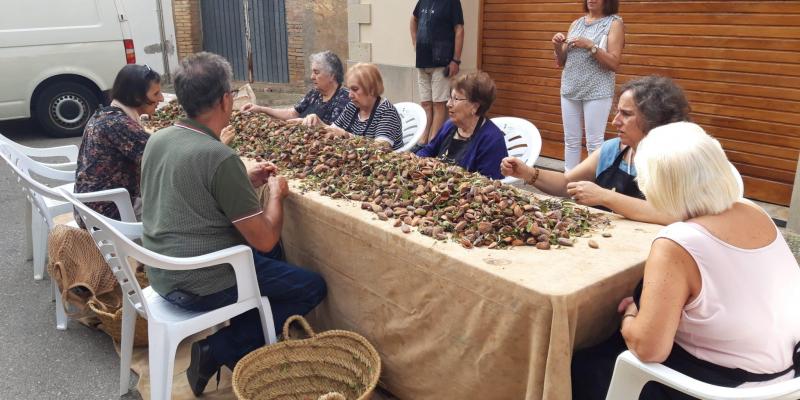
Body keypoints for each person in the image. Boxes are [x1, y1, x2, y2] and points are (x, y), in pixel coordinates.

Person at [140, 52, 327, 396]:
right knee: (310, 286)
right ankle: (220, 348)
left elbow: (192, 192)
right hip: (200, 281)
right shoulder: (219, 156)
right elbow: (266, 239)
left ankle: (250, 338)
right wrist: (276, 194)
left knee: (272, 268)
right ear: (226, 99)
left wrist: (243, 182)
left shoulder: (158, 139)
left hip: (160, 272)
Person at [571, 122, 800, 400]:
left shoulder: (678, 243)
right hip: (785, 377)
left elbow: (648, 349)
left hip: (724, 388)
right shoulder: (754, 211)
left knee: (579, 364)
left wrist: (631, 314)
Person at [501, 75, 690, 225]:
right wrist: (528, 173)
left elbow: (673, 214)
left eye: (626, 114)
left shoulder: (675, 159)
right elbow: (567, 183)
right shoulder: (612, 150)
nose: (615, 121)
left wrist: (605, 196)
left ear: (653, 118)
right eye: (617, 112)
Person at [74, 64, 163, 224]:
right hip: (108, 214)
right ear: (137, 97)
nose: (161, 99)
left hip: (90, 208)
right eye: (156, 93)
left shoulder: (105, 115)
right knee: (184, 211)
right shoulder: (119, 125)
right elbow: (166, 160)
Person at [554, 0, 624, 171]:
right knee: (571, 140)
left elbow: (614, 63)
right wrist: (557, 46)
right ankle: (569, 184)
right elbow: (562, 61)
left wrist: (591, 46)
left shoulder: (614, 23)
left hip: (597, 90)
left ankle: (595, 187)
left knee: (594, 142)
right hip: (570, 88)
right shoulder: (576, 23)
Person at [415, 71, 508, 179]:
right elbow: (428, 151)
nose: (448, 104)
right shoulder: (450, 126)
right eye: (450, 98)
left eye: (456, 99)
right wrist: (414, 162)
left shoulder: (491, 139)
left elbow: (489, 184)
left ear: (475, 107)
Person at [240, 50, 350, 126]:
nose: (312, 77)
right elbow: (292, 113)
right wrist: (260, 109)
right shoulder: (314, 93)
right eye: (312, 72)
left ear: (332, 75)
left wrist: (302, 123)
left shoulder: (344, 98)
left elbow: (334, 130)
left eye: (316, 72)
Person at [409, 0, 464, 150]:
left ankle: (433, 143)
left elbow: (459, 29)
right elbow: (413, 19)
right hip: (422, 61)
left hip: (442, 62)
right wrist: (415, 42)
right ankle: (423, 139)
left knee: (439, 104)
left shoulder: (452, 2)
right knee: (426, 103)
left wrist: (456, 60)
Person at [325, 63, 404, 150]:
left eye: (355, 89)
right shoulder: (352, 106)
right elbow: (333, 130)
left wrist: (346, 135)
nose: (350, 95)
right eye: (349, 89)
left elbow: (380, 147)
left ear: (372, 89)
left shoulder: (387, 112)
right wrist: (318, 124)